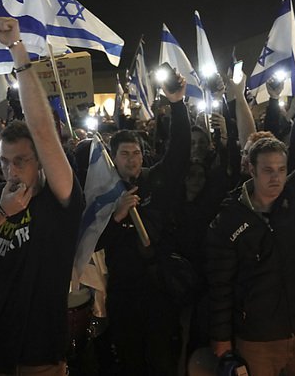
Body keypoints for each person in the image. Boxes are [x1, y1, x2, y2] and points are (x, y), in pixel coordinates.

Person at [0, 17, 83, 376]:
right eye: (4, 162)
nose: (10, 170)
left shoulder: (60, 196)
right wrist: (0, 214)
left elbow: (42, 128)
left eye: (20, 161)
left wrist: (16, 49)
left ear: (40, 162)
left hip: (39, 355)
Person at [205, 70, 295, 376]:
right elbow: (220, 285)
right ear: (251, 171)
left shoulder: (294, 197)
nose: (276, 177)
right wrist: (221, 339)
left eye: (282, 169)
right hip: (258, 338)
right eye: (268, 170)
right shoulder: (229, 220)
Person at [96, 66, 191, 376]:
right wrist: (118, 215)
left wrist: (177, 105)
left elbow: (179, 153)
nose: (133, 159)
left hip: (159, 288)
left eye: (136, 152)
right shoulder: (103, 195)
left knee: (162, 358)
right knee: (130, 358)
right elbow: (94, 242)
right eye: (125, 154)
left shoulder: (155, 181)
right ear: (113, 157)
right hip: (125, 292)